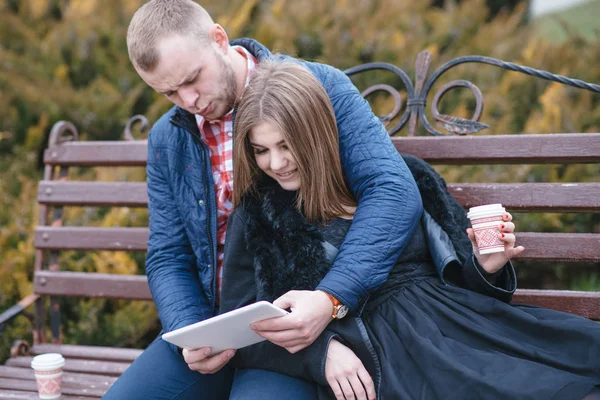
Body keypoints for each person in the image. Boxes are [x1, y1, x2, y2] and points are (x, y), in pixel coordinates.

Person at [219, 60, 600, 400]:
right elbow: (242, 324)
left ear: (317, 137)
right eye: (261, 150)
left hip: (460, 325)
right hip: (386, 351)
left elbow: (460, 281)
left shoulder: (404, 178)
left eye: (287, 146)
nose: (277, 162)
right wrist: (322, 353)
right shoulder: (259, 214)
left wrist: (486, 266)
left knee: (577, 364)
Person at [103, 0, 423, 398]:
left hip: (301, 325)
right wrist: (190, 330)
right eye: (169, 92)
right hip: (215, 326)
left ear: (219, 39)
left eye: (193, 79)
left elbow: (392, 190)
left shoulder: (317, 88)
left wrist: (331, 297)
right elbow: (168, 253)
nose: (189, 101)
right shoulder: (168, 139)